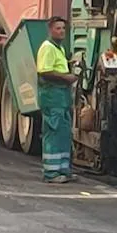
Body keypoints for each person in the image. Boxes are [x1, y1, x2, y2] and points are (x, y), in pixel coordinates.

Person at [36, 16, 76, 184]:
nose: (61, 31)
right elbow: (44, 71)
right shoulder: (48, 47)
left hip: (61, 97)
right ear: (50, 30)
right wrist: (66, 78)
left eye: (63, 28)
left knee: (63, 133)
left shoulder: (58, 48)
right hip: (52, 96)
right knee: (53, 132)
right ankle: (51, 173)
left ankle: (63, 170)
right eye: (58, 28)